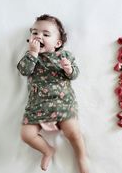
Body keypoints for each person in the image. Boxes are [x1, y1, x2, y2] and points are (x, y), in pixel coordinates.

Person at [17, 14, 89, 173]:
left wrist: (69, 69)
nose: (38, 36)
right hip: (37, 106)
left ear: (58, 43)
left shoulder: (64, 56)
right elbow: (23, 70)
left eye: (45, 34)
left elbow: (74, 74)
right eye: (34, 33)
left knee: (73, 133)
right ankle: (47, 150)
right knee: (26, 135)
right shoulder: (31, 57)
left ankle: (81, 157)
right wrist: (33, 54)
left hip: (61, 103)